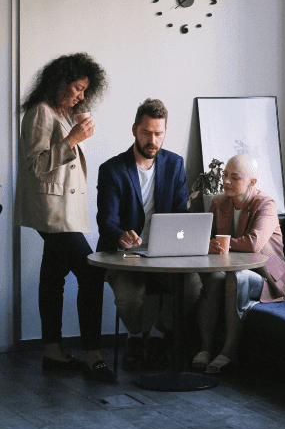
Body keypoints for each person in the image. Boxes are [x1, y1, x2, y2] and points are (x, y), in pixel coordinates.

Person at [14, 52, 114, 382]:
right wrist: (73, 139)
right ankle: (93, 354)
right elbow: (36, 165)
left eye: (85, 90)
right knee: (90, 272)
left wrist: (74, 133)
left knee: (53, 276)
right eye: (77, 88)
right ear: (60, 83)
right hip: (51, 211)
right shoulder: (40, 112)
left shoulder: (61, 112)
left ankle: (52, 351)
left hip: (60, 210)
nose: (81, 95)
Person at [97, 98, 201, 371]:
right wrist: (121, 235)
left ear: (165, 132)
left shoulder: (174, 165)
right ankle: (134, 338)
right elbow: (105, 221)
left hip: (163, 255)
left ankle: (155, 336)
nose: (152, 139)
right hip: (123, 258)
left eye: (158, 133)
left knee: (193, 286)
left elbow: (180, 214)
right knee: (131, 298)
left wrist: (185, 237)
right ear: (134, 130)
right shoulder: (112, 170)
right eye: (146, 132)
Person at [192, 154, 285, 373]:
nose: (226, 182)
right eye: (225, 175)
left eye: (234, 177)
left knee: (235, 277)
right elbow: (206, 236)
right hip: (231, 268)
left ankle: (228, 351)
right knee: (213, 278)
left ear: (251, 183)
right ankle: (205, 348)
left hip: (268, 274)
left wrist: (223, 244)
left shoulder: (266, 204)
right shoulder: (219, 202)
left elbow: (254, 243)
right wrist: (209, 244)